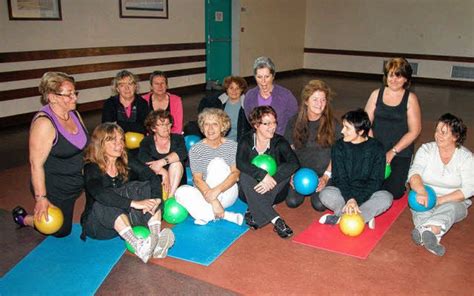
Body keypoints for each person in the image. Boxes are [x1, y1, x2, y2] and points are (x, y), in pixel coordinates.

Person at [81, 123, 175, 263]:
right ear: (100, 144)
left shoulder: (125, 158)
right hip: (99, 224)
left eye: (121, 140)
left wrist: (156, 199)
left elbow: (151, 176)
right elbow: (99, 193)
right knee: (103, 200)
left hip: (124, 217)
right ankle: (138, 245)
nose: (119, 144)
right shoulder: (91, 167)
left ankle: (155, 238)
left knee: (142, 186)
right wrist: (133, 203)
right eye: (112, 140)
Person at [12, 72, 88, 237]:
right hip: (56, 187)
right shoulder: (44, 123)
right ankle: (25, 219)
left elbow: (83, 147)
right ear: (52, 97)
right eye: (69, 95)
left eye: (75, 93)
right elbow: (36, 164)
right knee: (60, 231)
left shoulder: (74, 114)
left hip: (77, 181)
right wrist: (41, 199)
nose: (74, 98)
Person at [408, 113, 473, 256]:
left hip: (454, 201)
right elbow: (414, 173)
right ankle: (433, 235)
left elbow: (469, 188)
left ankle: (425, 230)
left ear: (455, 136)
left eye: (443, 133)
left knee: (450, 208)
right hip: (425, 197)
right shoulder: (426, 150)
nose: (438, 135)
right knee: (420, 207)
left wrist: (441, 200)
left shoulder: (466, 157)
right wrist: (420, 190)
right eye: (437, 131)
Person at [319, 109, 393, 230]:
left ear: (361, 131)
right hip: (344, 194)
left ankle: (342, 217)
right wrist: (349, 199)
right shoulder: (338, 146)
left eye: (347, 128)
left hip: (368, 194)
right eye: (343, 126)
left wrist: (355, 200)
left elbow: (376, 180)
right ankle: (364, 217)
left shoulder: (377, 148)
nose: (342, 131)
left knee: (386, 197)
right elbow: (339, 178)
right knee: (325, 193)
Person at [237, 106, 300, 238]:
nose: (272, 127)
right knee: (245, 175)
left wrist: (273, 179)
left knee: (283, 168)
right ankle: (276, 220)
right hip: (248, 191)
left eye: (274, 122)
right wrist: (262, 175)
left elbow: (294, 163)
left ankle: (254, 210)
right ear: (256, 125)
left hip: (275, 191)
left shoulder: (279, 141)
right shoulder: (246, 140)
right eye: (267, 124)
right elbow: (240, 163)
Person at [174, 108, 243, 226]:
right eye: (206, 124)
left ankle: (205, 213)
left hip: (226, 192)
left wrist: (215, 193)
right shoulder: (196, 149)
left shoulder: (232, 146)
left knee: (217, 163)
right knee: (180, 191)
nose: (210, 129)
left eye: (215, 124)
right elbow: (197, 179)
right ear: (202, 127)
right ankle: (226, 216)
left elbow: (235, 175)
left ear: (222, 127)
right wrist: (213, 200)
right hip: (205, 193)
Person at [365, 57, 422, 199]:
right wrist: (375, 149)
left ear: (406, 79)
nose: (394, 79)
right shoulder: (375, 94)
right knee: (369, 187)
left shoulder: (410, 99)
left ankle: (399, 181)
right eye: (391, 75)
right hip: (376, 149)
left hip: (400, 151)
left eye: (399, 75)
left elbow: (415, 131)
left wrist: (393, 152)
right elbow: (365, 123)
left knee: (393, 193)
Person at [284, 80, 342, 211]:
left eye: (323, 100)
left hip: (323, 172)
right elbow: (287, 151)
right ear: (306, 101)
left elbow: (339, 152)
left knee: (319, 205)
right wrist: (292, 174)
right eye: (315, 99)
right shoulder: (294, 121)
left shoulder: (332, 123)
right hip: (301, 173)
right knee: (292, 202)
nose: (319, 104)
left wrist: (326, 176)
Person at [244, 56, 298, 136]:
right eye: (259, 77)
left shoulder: (286, 96)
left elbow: (294, 120)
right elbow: (251, 120)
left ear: (273, 76)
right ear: (255, 77)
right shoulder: (249, 96)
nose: (263, 81)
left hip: (280, 140)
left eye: (267, 76)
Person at [138, 110, 187, 197]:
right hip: (156, 179)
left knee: (176, 163)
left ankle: (170, 198)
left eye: (168, 124)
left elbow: (182, 153)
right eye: (161, 125)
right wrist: (164, 172)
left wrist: (161, 162)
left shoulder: (178, 138)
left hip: (177, 180)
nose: (166, 128)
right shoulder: (147, 141)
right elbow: (143, 159)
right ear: (153, 128)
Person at [102, 70, 150, 135]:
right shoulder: (109, 104)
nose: (127, 88)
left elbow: (144, 128)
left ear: (135, 86)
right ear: (117, 89)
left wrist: (118, 123)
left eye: (130, 84)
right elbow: (107, 128)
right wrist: (135, 126)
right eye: (122, 85)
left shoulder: (142, 103)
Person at [218, 76, 251, 142]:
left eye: (237, 88)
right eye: (231, 88)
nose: (234, 91)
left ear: (241, 90)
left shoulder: (247, 105)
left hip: (239, 143)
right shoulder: (219, 103)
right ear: (226, 89)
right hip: (220, 141)